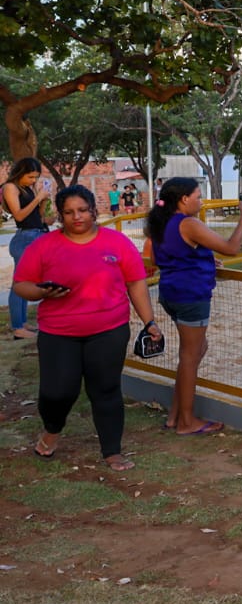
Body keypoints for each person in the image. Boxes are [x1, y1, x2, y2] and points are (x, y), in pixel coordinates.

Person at [12, 186, 160, 470]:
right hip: (59, 333)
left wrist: (149, 322)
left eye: (82, 210)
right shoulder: (44, 246)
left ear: (93, 210)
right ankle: (51, 432)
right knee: (58, 392)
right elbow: (21, 284)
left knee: (105, 390)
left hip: (109, 329)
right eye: (68, 212)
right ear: (60, 215)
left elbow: (136, 284)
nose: (76, 217)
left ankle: (112, 451)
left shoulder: (117, 243)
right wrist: (42, 292)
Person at [146, 177, 242, 435]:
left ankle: (175, 415)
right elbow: (232, 248)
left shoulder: (162, 222)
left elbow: (161, 257)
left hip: (170, 292)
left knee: (194, 351)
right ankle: (186, 422)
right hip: (190, 296)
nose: (202, 200)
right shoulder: (189, 223)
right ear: (184, 199)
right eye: (198, 195)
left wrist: (205, 262)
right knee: (190, 357)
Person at [4, 157, 52, 339]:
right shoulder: (10, 187)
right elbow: (19, 215)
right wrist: (37, 198)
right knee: (19, 284)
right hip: (24, 238)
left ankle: (22, 322)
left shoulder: (27, 189)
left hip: (35, 235)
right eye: (31, 177)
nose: (33, 181)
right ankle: (17, 327)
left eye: (36, 177)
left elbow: (36, 216)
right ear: (21, 173)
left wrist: (44, 200)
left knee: (26, 282)